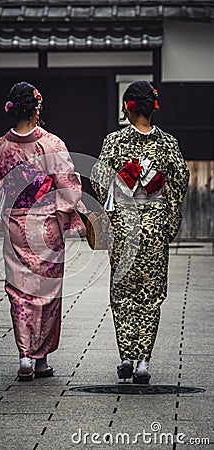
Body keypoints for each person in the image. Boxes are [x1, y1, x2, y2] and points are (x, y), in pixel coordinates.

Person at [0, 81, 85, 381]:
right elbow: (68, 185)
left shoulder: (1, 147)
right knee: (48, 293)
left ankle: (24, 356)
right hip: (46, 226)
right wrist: (67, 214)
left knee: (20, 292)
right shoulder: (52, 145)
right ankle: (41, 359)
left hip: (17, 224)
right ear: (37, 109)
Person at [91, 81, 189, 383]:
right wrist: (170, 216)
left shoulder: (114, 141)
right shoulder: (168, 143)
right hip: (156, 224)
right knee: (151, 293)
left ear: (127, 108)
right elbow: (180, 179)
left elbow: (97, 179)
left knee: (122, 292)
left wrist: (121, 188)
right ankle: (144, 361)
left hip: (124, 223)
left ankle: (127, 357)